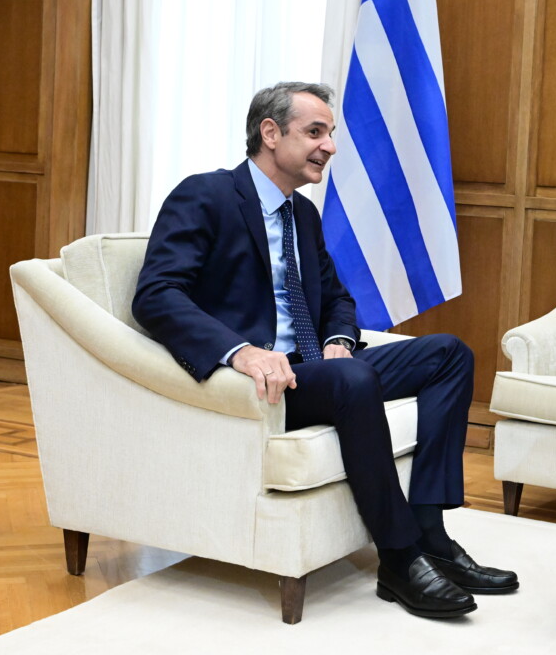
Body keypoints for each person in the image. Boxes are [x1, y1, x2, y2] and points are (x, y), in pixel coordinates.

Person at [132, 81, 517, 619]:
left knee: (449, 354)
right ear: (270, 133)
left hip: (318, 368)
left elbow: (337, 298)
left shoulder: (302, 215)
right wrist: (240, 351)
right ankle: (399, 558)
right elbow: (156, 295)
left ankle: (430, 533)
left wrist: (338, 340)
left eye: (330, 133)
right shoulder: (206, 195)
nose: (330, 146)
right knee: (353, 379)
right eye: (315, 132)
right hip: (262, 378)